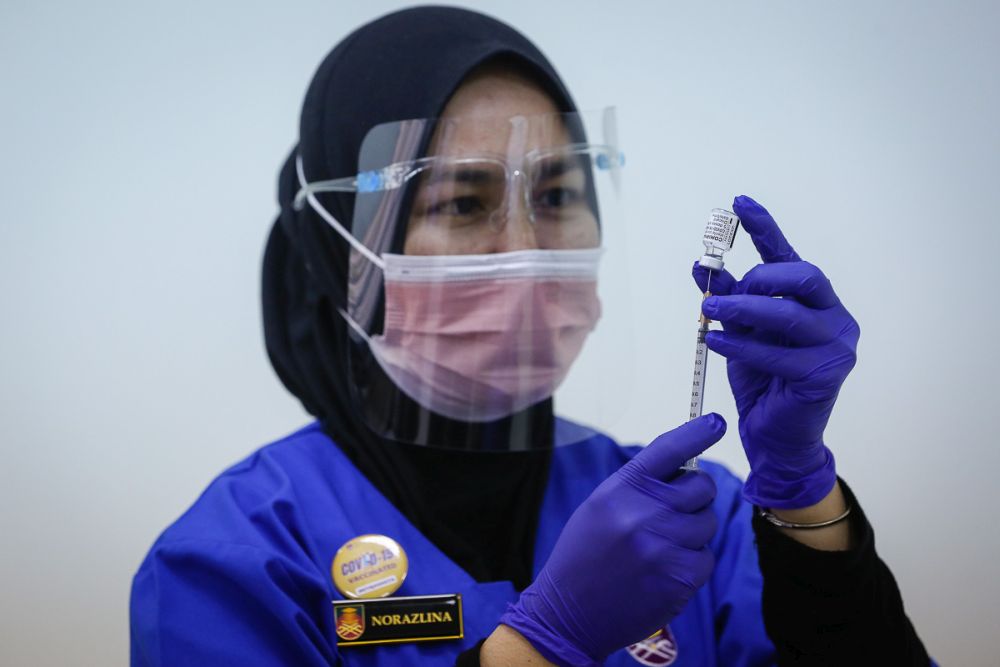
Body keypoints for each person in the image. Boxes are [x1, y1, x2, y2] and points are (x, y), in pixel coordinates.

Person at [130, 7, 933, 666]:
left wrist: (803, 503)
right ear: (347, 251)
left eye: (556, 193)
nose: (525, 244)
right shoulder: (240, 559)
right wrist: (545, 644)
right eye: (463, 202)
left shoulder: (698, 517)